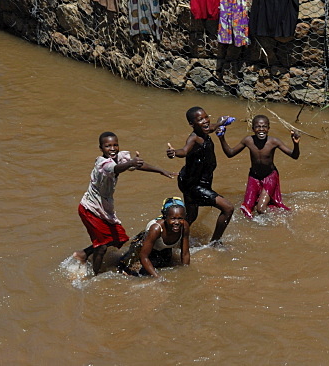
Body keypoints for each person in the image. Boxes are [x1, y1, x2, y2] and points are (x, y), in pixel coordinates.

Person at [73, 132, 175, 274]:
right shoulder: (102, 164)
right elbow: (116, 168)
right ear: (101, 148)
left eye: (115, 145)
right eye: (108, 146)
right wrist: (131, 163)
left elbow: (136, 165)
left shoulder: (118, 157)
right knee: (102, 246)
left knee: (119, 239)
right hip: (90, 209)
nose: (113, 148)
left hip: (103, 208)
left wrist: (160, 170)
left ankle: (83, 254)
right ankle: (94, 277)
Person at [166, 106, 235, 246]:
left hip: (191, 180)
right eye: (200, 119)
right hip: (194, 185)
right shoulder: (194, 138)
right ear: (192, 124)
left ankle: (170, 239)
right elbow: (184, 151)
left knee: (191, 216)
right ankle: (215, 242)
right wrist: (174, 153)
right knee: (228, 208)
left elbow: (212, 126)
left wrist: (221, 122)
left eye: (205, 117)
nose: (205, 121)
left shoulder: (206, 130)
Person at [219, 115, 300, 218]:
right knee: (246, 210)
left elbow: (294, 156)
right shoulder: (248, 140)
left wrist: (296, 144)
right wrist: (222, 138)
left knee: (260, 209)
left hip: (270, 177)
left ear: (268, 129)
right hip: (254, 177)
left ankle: (276, 220)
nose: (261, 129)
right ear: (253, 129)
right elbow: (230, 153)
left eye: (264, 126)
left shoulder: (274, 142)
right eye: (258, 127)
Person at [117, 197, 191, 277]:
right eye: (173, 218)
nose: (177, 222)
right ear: (165, 218)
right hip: (141, 247)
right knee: (135, 274)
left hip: (162, 248)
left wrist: (186, 273)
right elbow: (144, 256)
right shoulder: (156, 229)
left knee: (166, 265)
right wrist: (157, 278)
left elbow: (185, 253)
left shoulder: (184, 227)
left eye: (180, 218)